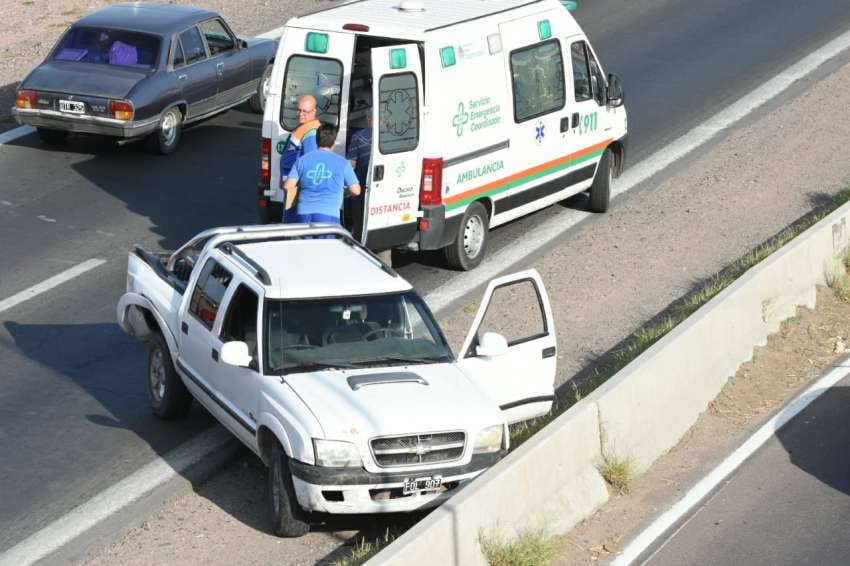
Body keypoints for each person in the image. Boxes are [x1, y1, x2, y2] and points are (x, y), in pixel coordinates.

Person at [284, 123, 361, 226]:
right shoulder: (343, 163)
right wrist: (344, 191)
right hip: (329, 215)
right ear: (334, 143)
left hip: (304, 214)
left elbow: (288, 186)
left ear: (316, 141)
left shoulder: (302, 160)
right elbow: (356, 191)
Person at [279, 94, 321, 222]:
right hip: (292, 185)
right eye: (299, 110)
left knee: (292, 225)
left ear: (314, 111)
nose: (300, 114)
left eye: (305, 111)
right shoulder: (304, 127)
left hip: (297, 188)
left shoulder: (311, 133)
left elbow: (310, 162)